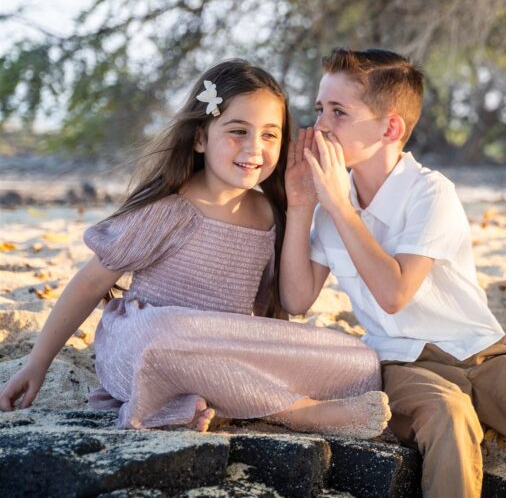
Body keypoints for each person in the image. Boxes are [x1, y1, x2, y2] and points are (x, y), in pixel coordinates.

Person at [280, 48, 506, 498]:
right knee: (449, 416)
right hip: (402, 360)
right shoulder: (333, 204)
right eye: (320, 109)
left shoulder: (429, 192)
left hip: (484, 354)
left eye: (339, 112)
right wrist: (302, 205)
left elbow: (395, 291)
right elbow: (296, 299)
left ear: (390, 128)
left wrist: (337, 207)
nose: (322, 125)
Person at [0, 60, 388, 437]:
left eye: (270, 134)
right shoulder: (170, 209)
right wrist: (37, 363)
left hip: (225, 349)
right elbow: (87, 284)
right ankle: (298, 411)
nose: (254, 147)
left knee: (359, 361)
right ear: (201, 137)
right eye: (238, 131)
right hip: (152, 343)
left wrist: (301, 205)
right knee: (167, 336)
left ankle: (204, 402)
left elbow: (289, 307)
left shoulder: (270, 213)